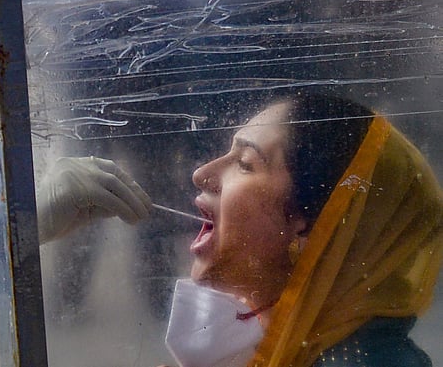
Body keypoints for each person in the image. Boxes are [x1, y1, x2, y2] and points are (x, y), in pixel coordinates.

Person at [164, 93, 443, 367]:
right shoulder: (298, 344)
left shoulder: (368, 361)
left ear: (311, 225)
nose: (201, 175)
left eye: (245, 163)